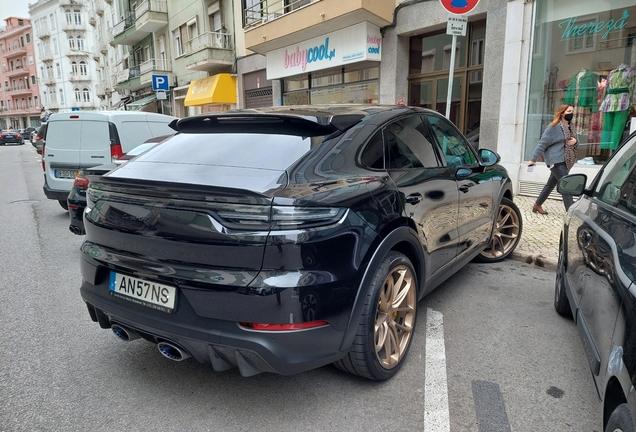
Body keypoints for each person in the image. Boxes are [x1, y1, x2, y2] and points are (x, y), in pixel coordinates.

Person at [527, 104, 578, 214]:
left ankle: (537, 205)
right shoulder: (553, 128)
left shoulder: (571, 127)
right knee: (566, 185)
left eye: (572, 111)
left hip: (566, 160)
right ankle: (571, 213)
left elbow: (575, 140)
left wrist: (575, 141)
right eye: (569, 111)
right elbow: (542, 144)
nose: (571, 113)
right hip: (555, 161)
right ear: (562, 113)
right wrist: (533, 159)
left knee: (550, 184)